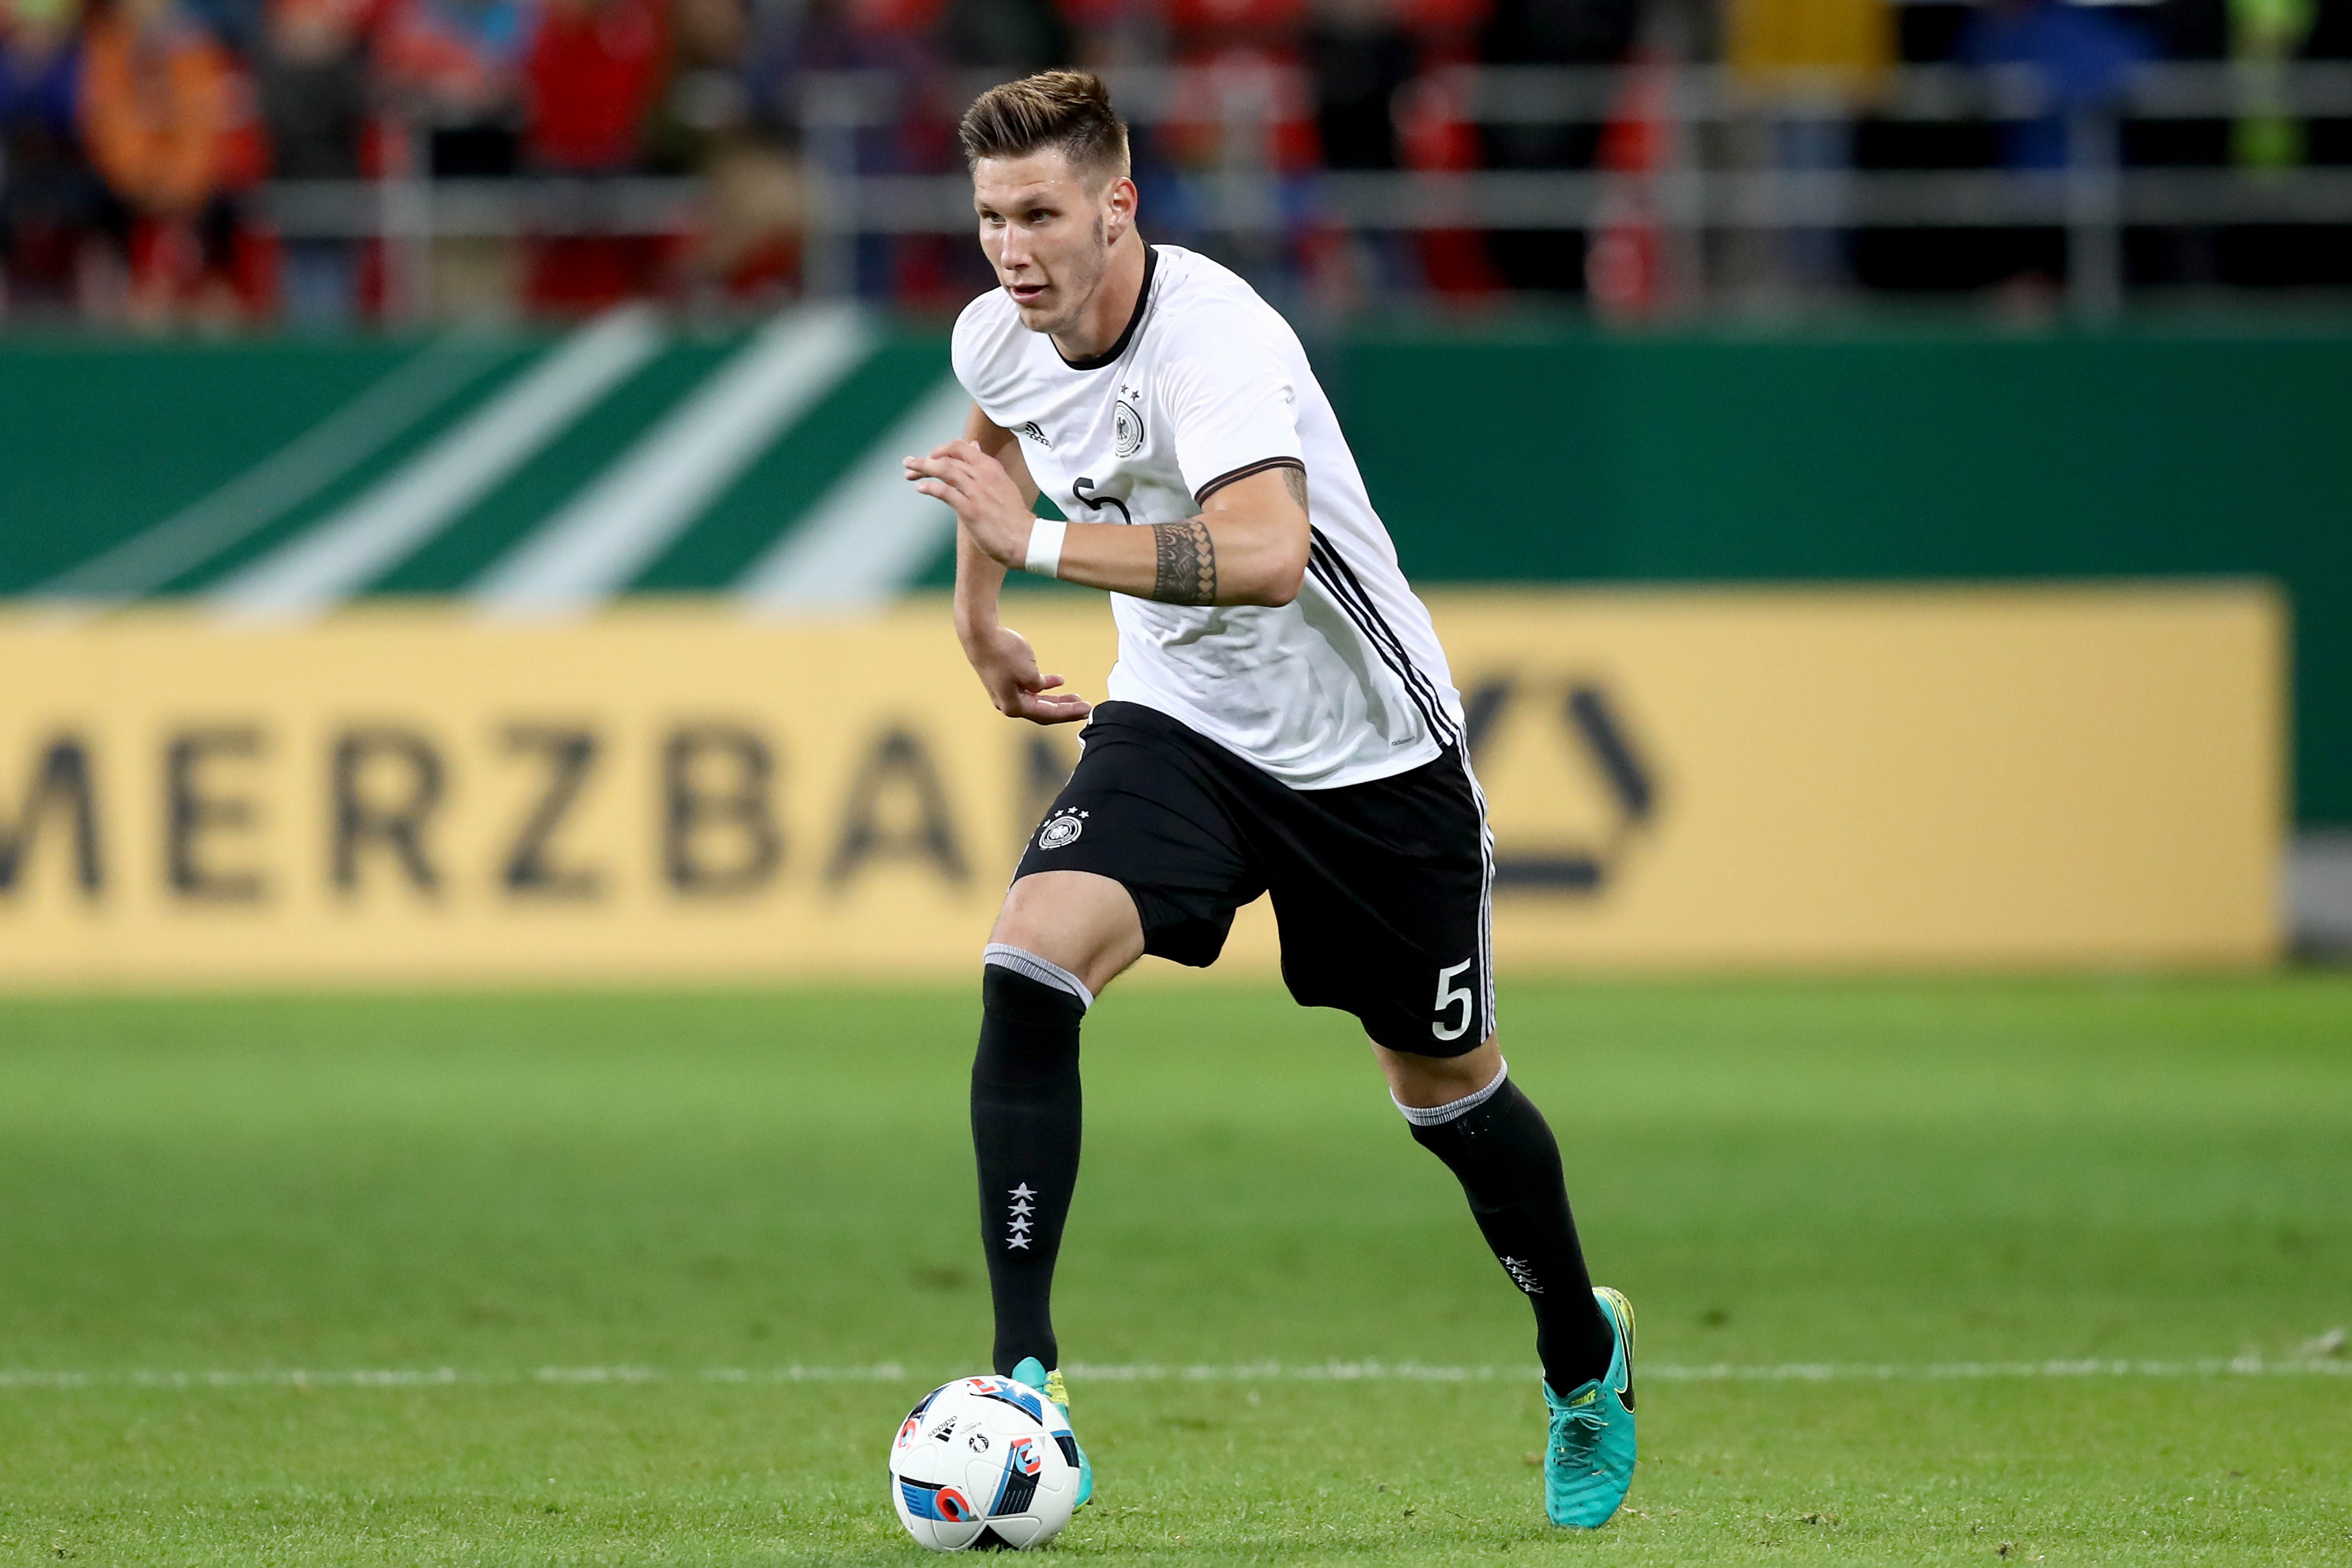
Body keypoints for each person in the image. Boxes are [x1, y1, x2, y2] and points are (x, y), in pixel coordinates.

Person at [900, 69, 1637, 1531]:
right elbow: (991, 437)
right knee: (1028, 959)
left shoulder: (1219, 339)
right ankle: (1024, 1377)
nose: (1012, 249)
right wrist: (980, 620)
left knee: (1448, 1095)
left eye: (1040, 213)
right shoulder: (1004, 324)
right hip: (1182, 722)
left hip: (1371, 757)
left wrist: (1037, 550)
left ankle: (1581, 1353)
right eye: (990, 217)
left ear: (1119, 205)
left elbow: (1266, 553)